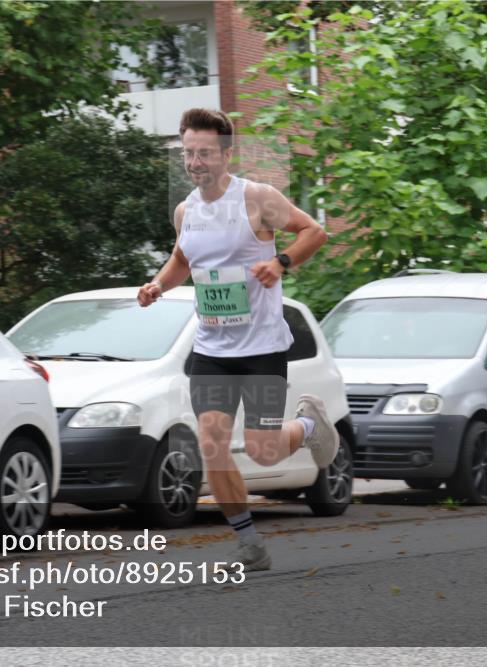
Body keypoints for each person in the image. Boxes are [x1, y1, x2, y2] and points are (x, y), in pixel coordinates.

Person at [137, 108, 338, 571]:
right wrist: (157, 285)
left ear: (226, 154)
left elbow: (315, 231)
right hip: (211, 351)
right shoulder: (185, 210)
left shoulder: (258, 199)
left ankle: (309, 427)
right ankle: (250, 545)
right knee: (212, 445)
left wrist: (280, 263)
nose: (195, 162)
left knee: (265, 451)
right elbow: (182, 260)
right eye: (188, 153)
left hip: (263, 349)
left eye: (204, 153)